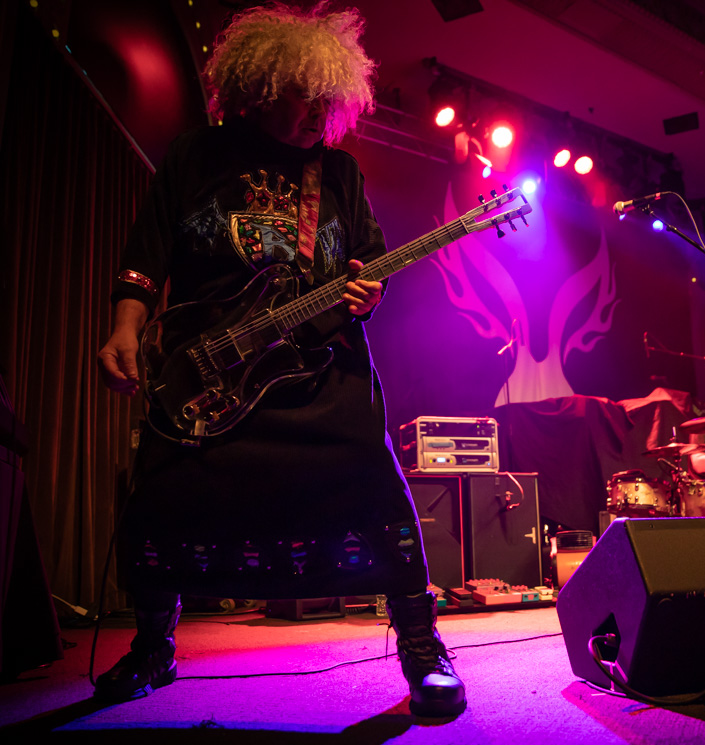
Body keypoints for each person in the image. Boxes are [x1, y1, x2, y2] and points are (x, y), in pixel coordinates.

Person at [95, 2, 465, 717]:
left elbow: (369, 265)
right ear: (261, 88)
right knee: (162, 497)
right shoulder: (195, 156)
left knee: (377, 492)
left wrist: (366, 293)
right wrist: (125, 326)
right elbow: (146, 253)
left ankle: (422, 649)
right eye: (304, 97)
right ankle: (152, 645)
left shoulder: (338, 174)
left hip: (317, 373)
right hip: (210, 372)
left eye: (328, 100)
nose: (315, 114)